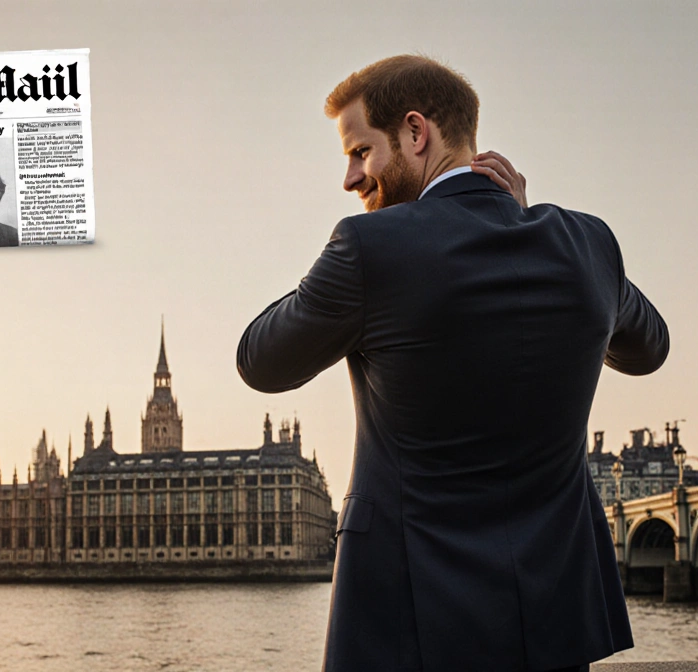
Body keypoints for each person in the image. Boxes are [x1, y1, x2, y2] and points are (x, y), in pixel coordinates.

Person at [237, 55, 669, 672]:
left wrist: (346, 274)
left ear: (417, 133)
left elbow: (260, 361)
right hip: (553, 623)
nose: (351, 178)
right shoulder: (589, 245)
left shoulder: (368, 249)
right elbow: (648, 348)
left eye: (360, 152)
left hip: (405, 625)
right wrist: (526, 226)